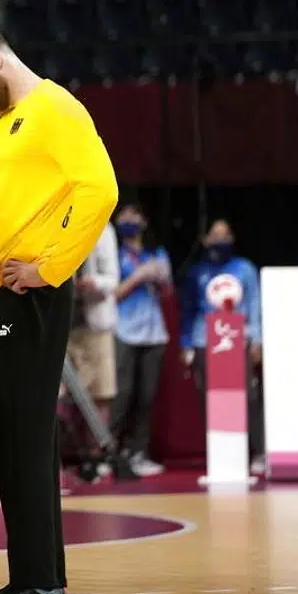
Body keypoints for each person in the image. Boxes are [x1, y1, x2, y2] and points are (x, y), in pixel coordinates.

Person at [0, 27, 119, 594]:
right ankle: (39, 578)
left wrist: (50, 267)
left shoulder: (54, 107)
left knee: (22, 435)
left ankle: (38, 584)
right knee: (11, 438)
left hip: (28, 295)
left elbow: (100, 189)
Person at [180, 219, 264, 474]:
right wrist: (186, 344)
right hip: (204, 341)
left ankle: (256, 452)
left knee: (248, 398)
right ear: (205, 240)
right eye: (214, 235)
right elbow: (188, 310)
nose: (220, 239)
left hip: (239, 340)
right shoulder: (197, 272)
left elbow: (254, 304)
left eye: (225, 234)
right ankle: (220, 456)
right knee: (210, 399)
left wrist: (257, 339)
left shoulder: (244, 268)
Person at [109, 202, 173, 479]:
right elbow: (113, 294)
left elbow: (167, 293)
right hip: (123, 331)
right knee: (122, 394)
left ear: (144, 222)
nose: (129, 219)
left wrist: (160, 280)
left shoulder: (156, 254)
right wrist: (138, 276)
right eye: (124, 214)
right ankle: (110, 453)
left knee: (147, 396)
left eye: (134, 214)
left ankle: (139, 453)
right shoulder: (114, 254)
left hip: (153, 333)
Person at [65, 221, 120, 480]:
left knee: (100, 393)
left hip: (94, 323)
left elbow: (112, 279)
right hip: (62, 325)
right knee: (57, 396)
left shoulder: (103, 228)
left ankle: (97, 455)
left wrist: (93, 282)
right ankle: (66, 457)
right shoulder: (54, 218)